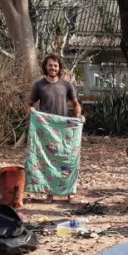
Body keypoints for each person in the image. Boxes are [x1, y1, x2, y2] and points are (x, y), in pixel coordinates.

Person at [26, 53, 84, 203]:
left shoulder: (66, 85)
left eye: (56, 65)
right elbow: (29, 104)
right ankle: (50, 193)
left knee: (67, 159)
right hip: (46, 130)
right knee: (47, 161)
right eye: (50, 65)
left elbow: (76, 104)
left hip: (65, 130)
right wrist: (31, 110)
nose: (53, 68)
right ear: (46, 66)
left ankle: (69, 192)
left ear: (59, 68)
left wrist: (78, 115)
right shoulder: (39, 85)